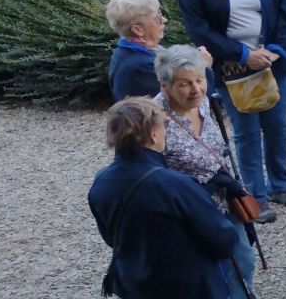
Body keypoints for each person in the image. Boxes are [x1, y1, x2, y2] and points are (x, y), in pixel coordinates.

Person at [178, 0, 286, 215]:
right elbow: (198, 28)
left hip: (273, 61)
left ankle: (280, 185)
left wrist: (275, 49)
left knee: (277, 127)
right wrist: (243, 54)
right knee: (246, 131)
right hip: (233, 67)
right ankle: (255, 198)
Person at [89, 97, 246, 299]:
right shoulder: (176, 185)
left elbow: (110, 236)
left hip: (135, 285)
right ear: (154, 135)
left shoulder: (101, 182)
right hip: (187, 287)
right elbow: (223, 240)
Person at [151, 45, 260, 295]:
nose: (196, 89)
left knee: (243, 261)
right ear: (164, 86)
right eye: (184, 84)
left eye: (199, 80)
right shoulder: (154, 119)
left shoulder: (202, 104)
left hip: (226, 201)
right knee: (211, 276)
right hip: (192, 213)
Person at [107, 0, 169, 102]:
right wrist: (204, 68)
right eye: (157, 18)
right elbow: (187, 101)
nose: (164, 20)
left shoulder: (126, 52)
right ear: (138, 29)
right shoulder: (144, 66)